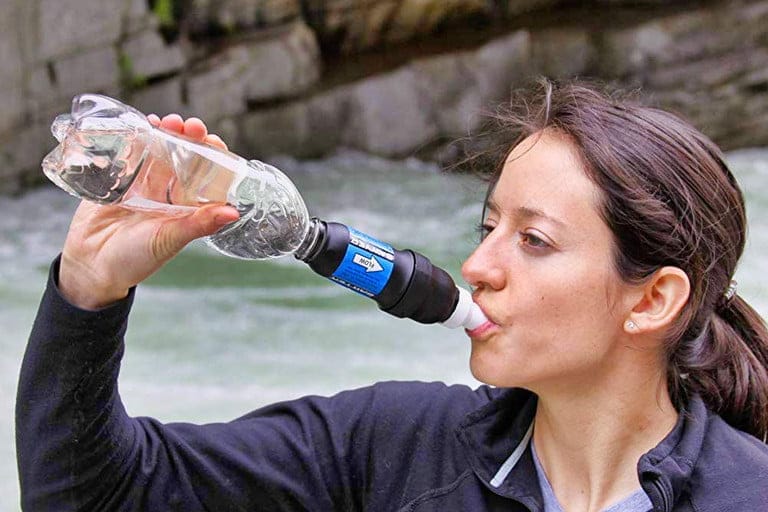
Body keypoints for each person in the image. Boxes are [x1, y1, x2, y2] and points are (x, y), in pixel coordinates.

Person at [16, 79, 768, 512]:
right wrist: (91, 287)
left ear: (652, 299)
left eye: (533, 240)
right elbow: (97, 498)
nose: (477, 265)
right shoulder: (394, 445)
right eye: (488, 226)